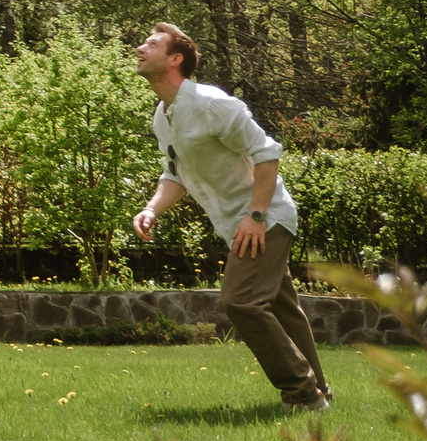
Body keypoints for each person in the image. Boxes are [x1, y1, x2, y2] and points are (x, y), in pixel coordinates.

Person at [131, 21, 330, 412]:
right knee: (280, 307)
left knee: (241, 301)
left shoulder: (210, 103)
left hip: (264, 217)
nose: (140, 48)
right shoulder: (163, 115)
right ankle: (319, 390)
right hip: (239, 223)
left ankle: (303, 394)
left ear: (175, 59)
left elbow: (267, 151)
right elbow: (176, 174)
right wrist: (152, 207)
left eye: (151, 44)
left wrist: (255, 214)